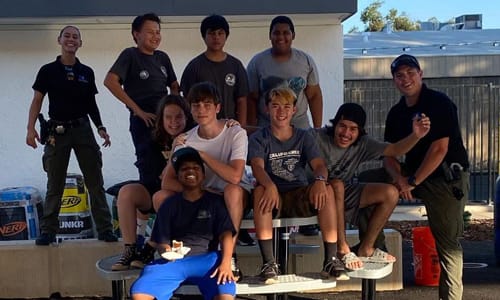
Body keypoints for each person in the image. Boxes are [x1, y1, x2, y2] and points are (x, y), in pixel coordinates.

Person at [384, 54, 469, 300]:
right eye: (399, 75)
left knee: (448, 245)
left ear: (421, 74)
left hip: (445, 178)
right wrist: (399, 179)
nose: (405, 79)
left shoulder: (439, 103)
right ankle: (373, 247)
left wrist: (412, 182)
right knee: (367, 185)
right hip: (411, 177)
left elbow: (439, 149)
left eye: (410, 72)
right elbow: (389, 155)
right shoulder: (396, 113)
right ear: (394, 81)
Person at [26, 25, 116, 245]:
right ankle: (48, 231)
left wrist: (100, 127)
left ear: (80, 43)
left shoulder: (87, 72)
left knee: (95, 181)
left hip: (83, 130)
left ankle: (105, 229)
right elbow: (37, 101)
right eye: (67, 36)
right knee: (54, 184)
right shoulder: (47, 70)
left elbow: (91, 104)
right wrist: (30, 128)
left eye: (75, 37)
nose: (71, 39)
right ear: (59, 40)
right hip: (57, 132)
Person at [313, 102, 430, 270]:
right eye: (342, 126)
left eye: (353, 129)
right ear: (335, 124)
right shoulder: (317, 137)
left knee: (390, 193)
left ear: (360, 132)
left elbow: (395, 150)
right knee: (337, 185)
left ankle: (366, 247)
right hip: (315, 196)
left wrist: (416, 135)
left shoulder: (364, 144)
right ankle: (342, 248)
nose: (346, 133)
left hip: (342, 194)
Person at [153, 81, 252, 281]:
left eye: (207, 105)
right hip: (205, 198)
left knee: (232, 190)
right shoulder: (185, 140)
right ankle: (176, 255)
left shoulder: (235, 132)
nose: (201, 110)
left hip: (234, 197)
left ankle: (229, 256)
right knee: (160, 197)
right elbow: (167, 183)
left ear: (217, 107)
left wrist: (202, 155)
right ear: (190, 109)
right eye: (196, 105)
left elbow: (235, 176)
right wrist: (202, 189)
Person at [248, 86, 344, 284]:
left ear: (294, 110)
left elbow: (319, 165)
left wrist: (319, 180)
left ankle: (331, 259)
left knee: (327, 188)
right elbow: (257, 166)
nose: (281, 112)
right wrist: (269, 185)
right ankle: (269, 263)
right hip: (273, 197)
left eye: (286, 106)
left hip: (298, 193)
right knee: (259, 191)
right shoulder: (259, 137)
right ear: (267, 109)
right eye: (275, 106)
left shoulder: (303, 136)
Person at [130, 146, 237, 300]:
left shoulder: (215, 202)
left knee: (225, 295)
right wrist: (167, 252)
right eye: (184, 169)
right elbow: (162, 242)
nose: (190, 171)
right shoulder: (169, 204)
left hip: (207, 259)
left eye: (195, 167)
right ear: (178, 176)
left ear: (203, 174)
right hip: (175, 262)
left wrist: (226, 263)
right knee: (140, 294)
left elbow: (226, 234)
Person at [111, 95, 195, 271]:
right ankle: (130, 250)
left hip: (180, 196)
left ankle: (155, 247)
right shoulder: (152, 139)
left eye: (178, 116)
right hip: (153, 190)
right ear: (161, 118)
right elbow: (151, 175)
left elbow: (174, 180)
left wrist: (175, 151)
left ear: (186, 117)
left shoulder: (194, 138)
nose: (173, 122)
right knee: (126, 192)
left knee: (162, 196)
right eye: (168, 117)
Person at [104, 13, 179, 198]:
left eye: (158, 32)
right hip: (144, 122)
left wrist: (175, 112)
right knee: (149, 168)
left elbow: (174, 86)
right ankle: (145, 218)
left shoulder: (163, 57)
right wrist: (138, 111)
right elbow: (110, 81)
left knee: (170, 166)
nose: (155, 36)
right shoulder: (130, 55)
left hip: (166, 123)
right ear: (136, 34)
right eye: (150, 32)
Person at [247, 15, 323, 130]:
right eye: (276, 33)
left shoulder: (305, 61)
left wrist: (317, 130)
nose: (281, 37)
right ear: (270, 36)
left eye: (286, 33)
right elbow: (251, 99)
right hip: (267, 127)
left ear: (293, 35)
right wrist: (251, 129)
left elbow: (314, 96)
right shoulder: (257, 62)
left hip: (299, 127)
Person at [181, 14, 249, 127]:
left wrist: (241, 128)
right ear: (204, 36)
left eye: (220, 33)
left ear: (226, 36)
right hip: (202, 128)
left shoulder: (236, 65)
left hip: (229, 127)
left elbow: (242, 100)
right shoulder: (194, 66)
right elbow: (187, 100)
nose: (216, 37)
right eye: (212, 33)